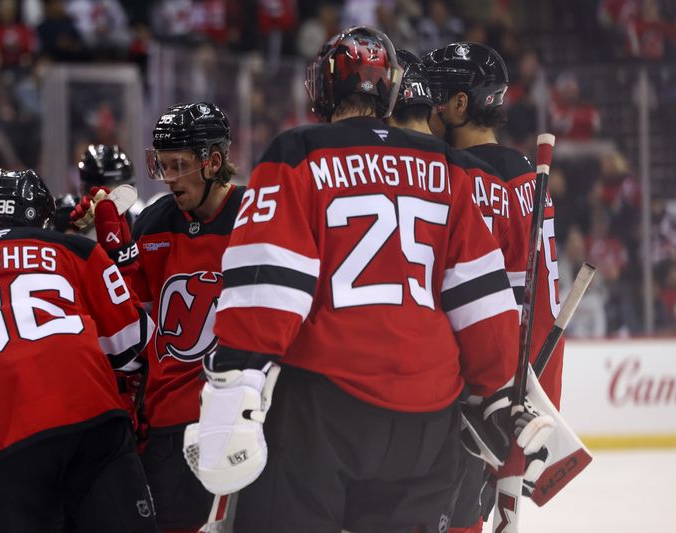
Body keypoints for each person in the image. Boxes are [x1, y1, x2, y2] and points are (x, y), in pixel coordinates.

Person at [184, 27, 550, 533]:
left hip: (325, 408)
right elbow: (481, 297)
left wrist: (236, 378)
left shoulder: (298, 151)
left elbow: (270, 279)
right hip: (428, 417)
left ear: (326, 87)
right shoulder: (449, 166)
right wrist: (498, 392)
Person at [0, 169, 159, 533]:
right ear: (45, 216)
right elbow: (132, 345)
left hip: (10, 438)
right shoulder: (74, 248)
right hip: (93, 421)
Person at [79, 101, 245, 533]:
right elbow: (131, 318)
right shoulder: (152, 224)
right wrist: (97, 254)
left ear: (212, 162)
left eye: (179, 165)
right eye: (162, 165)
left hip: (237, 415)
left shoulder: (255, 218)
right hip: (169, 422)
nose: (169, 178)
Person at [421, 42, 564, 532]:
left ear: (461, 104)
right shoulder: (527, 175)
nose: (424, 108)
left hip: (459, 395)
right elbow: (542, 304)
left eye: (432, 97)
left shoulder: (447, 175)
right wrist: (538, 407)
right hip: (509, 393)